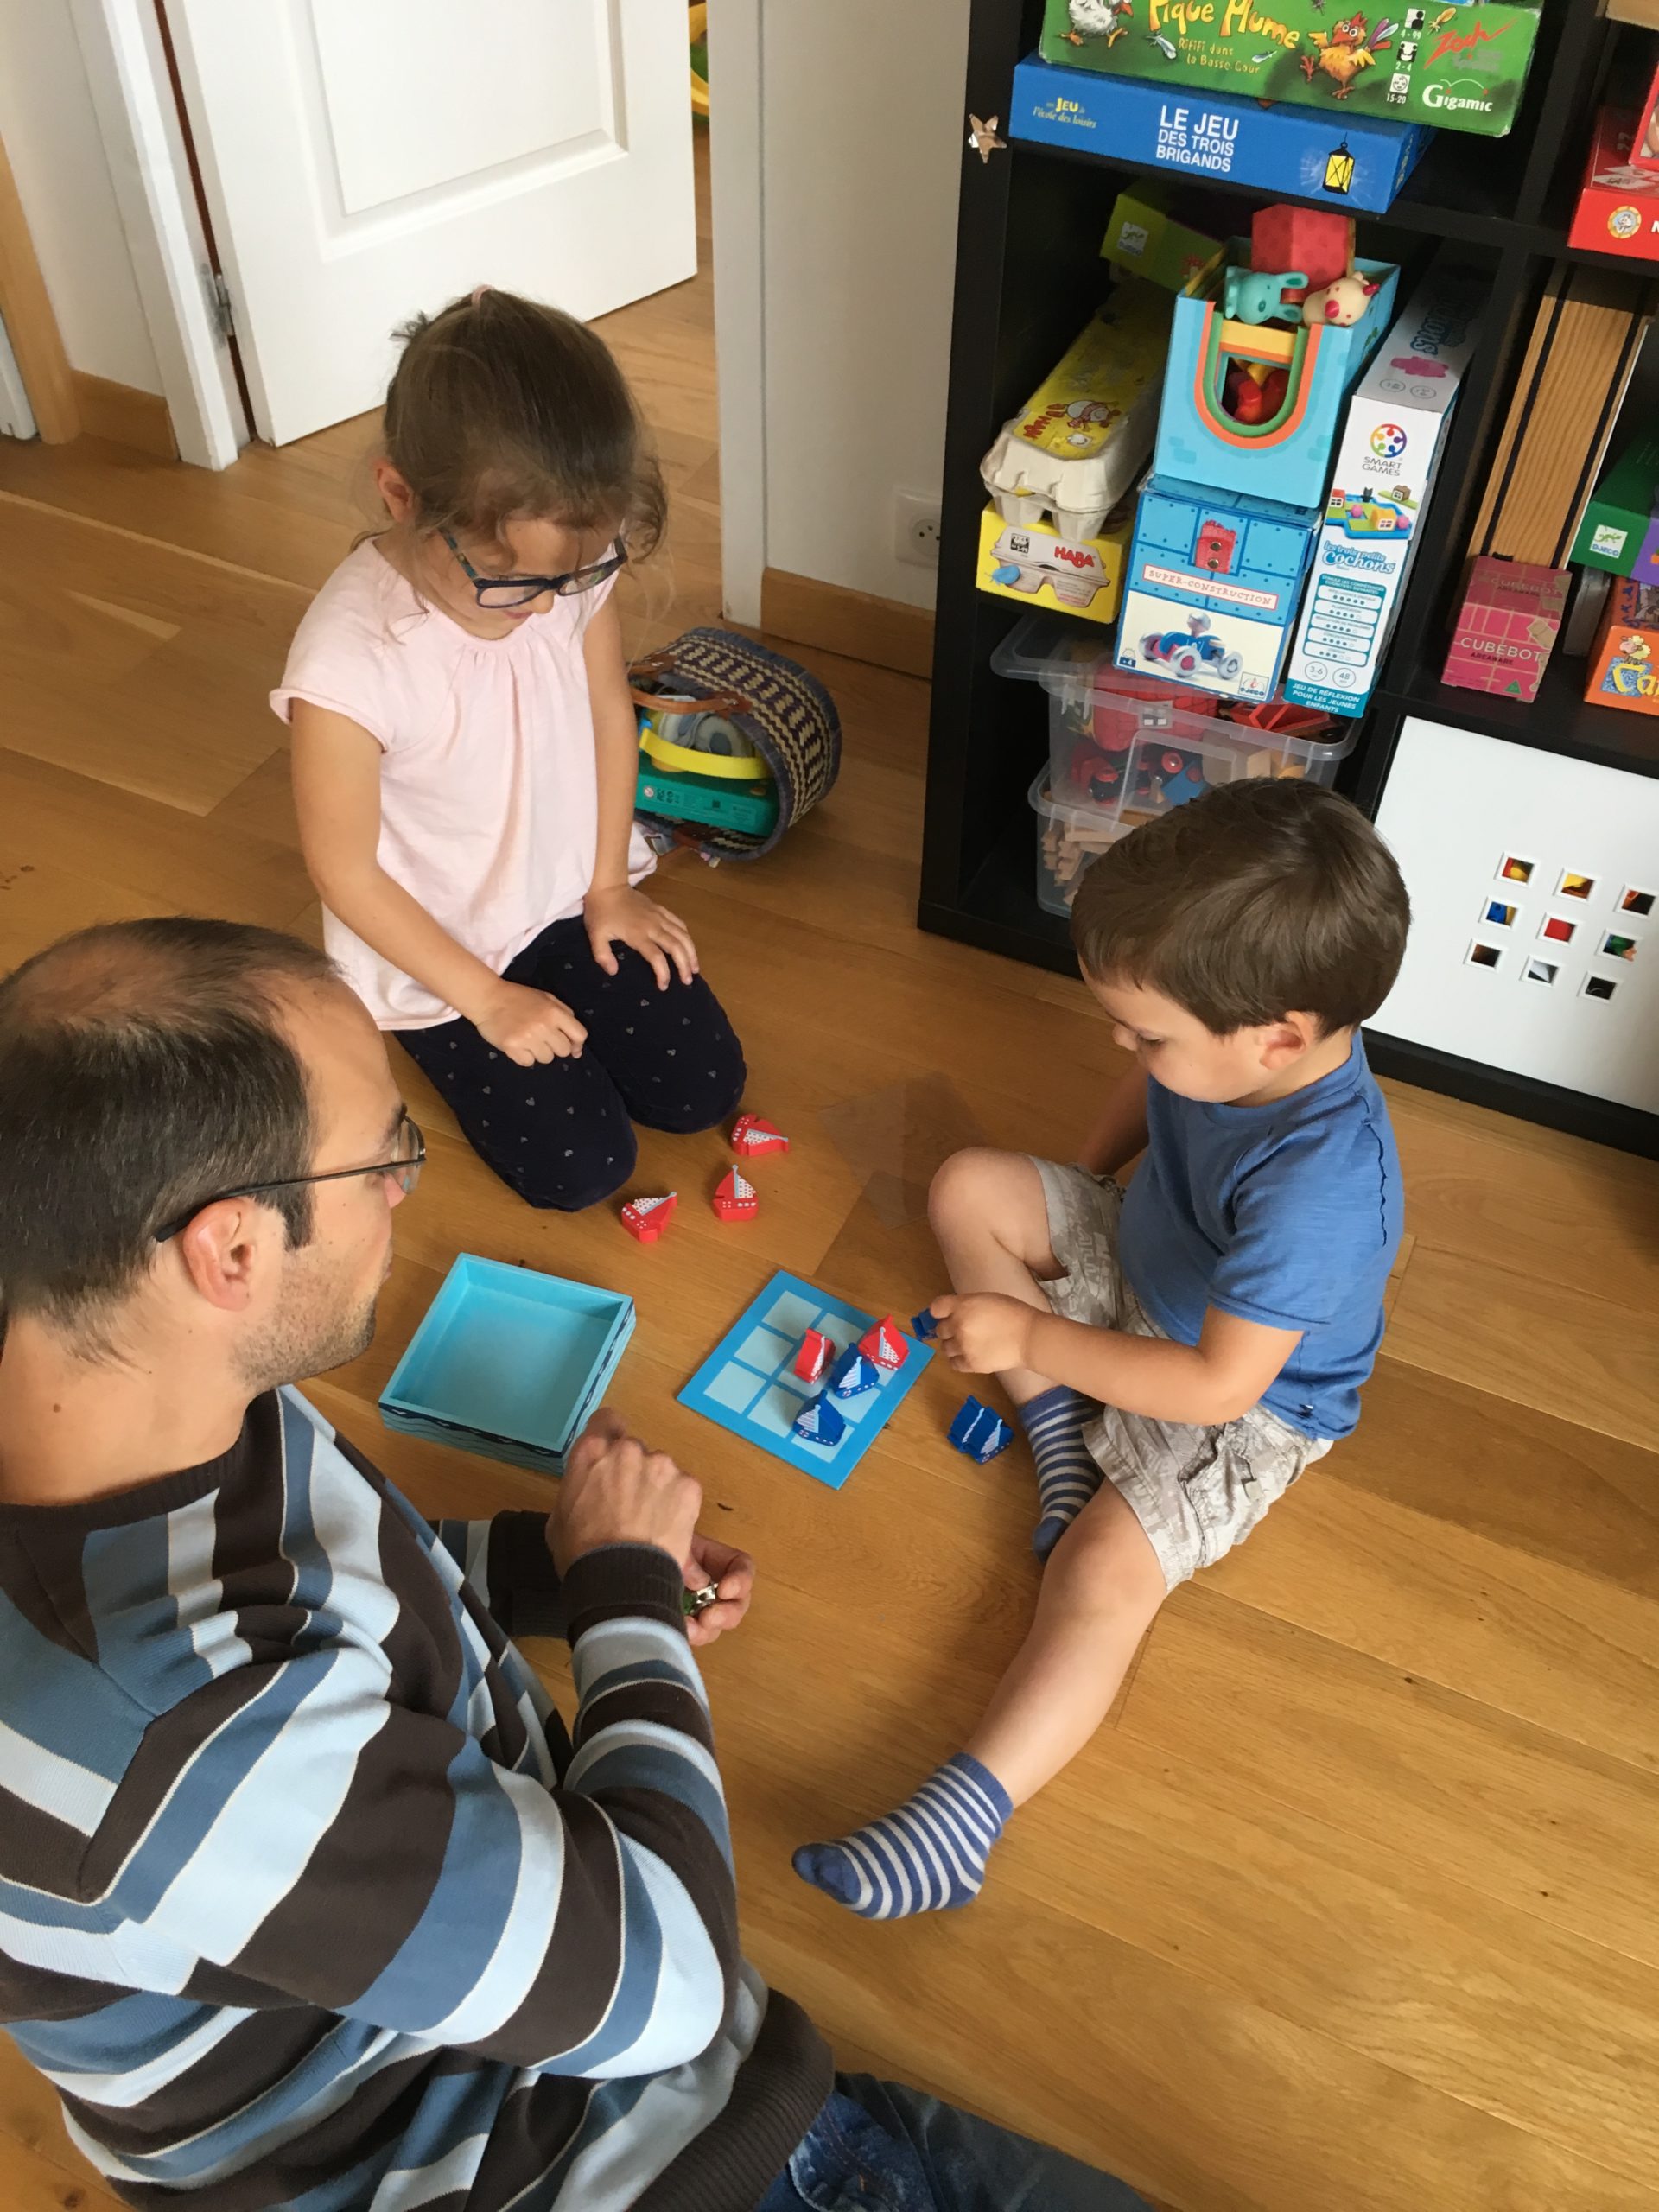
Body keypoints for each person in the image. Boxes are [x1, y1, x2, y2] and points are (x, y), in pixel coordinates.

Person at [0, 917, 1150, 2212]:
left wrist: (565, 1570)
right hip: (576, 2151)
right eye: (385, 1156)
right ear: (233, 1253)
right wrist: (624, 1608)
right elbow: (670, 1980)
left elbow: (327, 1598)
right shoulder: (177, 1742)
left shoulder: (113, 1375)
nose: (404, 1187)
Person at [796, 779, 1409, 1917]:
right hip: (1144, 1263)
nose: (1123, 1043)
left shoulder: (1321, 1194)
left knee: (1100, 1576)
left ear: (1279, 1038)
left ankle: (964, 1820)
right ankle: (1062, 1446)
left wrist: (1030, 1331)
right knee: (966, 1184)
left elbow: (1218, 1387)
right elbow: (1151, 1095)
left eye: (1147, 1033)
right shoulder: (1230, 1043)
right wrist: (1085, 1180)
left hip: (1241, 1399)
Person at [275, 286, 745, 1213]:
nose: (545, 606)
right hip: (441, 953)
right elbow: (344, 872)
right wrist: (486, 1000)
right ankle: (447, 1025)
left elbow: (607, 711)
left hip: (563, 893)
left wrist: (607, 884)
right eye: (509, 581)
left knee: (704, 1090)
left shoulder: (563, 564)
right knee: (584, 1170)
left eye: (573, 577)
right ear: (402, 497)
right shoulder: (348, 664)